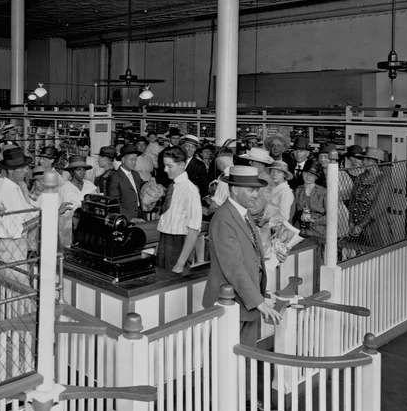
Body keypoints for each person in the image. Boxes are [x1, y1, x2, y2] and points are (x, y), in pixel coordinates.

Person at [201, 165, 283, 348]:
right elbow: (234, 267)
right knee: (226, 360)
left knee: (245, 358)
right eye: (251, 190)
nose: (256, 195)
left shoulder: (244, 214)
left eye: (257, 190)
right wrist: (259, 302)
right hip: (230, 303)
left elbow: (250, 254)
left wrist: (276, 256)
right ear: (235, 190)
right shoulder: (224, 218)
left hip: (246, 302)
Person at [0, 148, 38, 285]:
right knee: (18, 291)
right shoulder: (6, 192)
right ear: (10, 170)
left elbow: (28, 210)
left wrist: (52, 211)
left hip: (15, 247)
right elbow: (14, 230)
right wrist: (41, 219)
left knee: (15, 290)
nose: (26, 171)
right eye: (22, 168)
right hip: (11, 248)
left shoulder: (15, 188)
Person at [156, 146, 202, 275]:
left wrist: (180, 264)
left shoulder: (190, 190)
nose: (165, 170)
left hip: (179, 245)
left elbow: (193, 231)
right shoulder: (173, 186)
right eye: (165, 165)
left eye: (169, 166)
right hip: (165, 241)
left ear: (182, 165)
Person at [346, 147, 396, 250]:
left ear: (377, 161)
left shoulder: (384, 180)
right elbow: (352, 201)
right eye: (363, 159)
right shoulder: (360, 177)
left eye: (368, 159)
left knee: (377, 253)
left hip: (375, 225)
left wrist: (361, 226)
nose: (364, 162)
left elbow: (378, 207)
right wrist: (351, 221)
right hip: (356, 223)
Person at [59, 155, 98, 247]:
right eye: (78, 170)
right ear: (72, 172)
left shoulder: (90, 186)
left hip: (89, 229)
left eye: (83, 170)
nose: (82, 173)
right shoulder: (64, 189)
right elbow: (60, 213)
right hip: (70, 231)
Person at [106, 144, 145, 222]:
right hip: (124, 218)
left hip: (139, 215)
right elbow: (115, 203)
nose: (134, 162)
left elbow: (143, 186)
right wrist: (129, 218)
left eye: (135, 160)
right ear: (123, 159)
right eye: (131, 159)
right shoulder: (114, 177)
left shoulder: (135, 174)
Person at [292, 159, 328, 238]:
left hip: (319, 231)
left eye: (312, 174)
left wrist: (314, 221)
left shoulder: (324, 192)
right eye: (306, 173)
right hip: (300, 229)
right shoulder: (297, 190)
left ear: (317, 177)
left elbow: (331, 216)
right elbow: (292, 212)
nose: (308, 176)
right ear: (302, 174)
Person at [237, 147, 275, 221]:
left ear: (259, 164)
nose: (249, 163)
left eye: (252, 161)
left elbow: (255, 208)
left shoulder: (265, 181)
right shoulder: (260, 178)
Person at [260, 160, 294, 227]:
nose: (275, 174)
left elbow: (284, 216)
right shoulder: (274, 188)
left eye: (279, 172)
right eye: (273, 171)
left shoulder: (285, 192)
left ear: (284, 175)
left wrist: (266, 220)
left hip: (276, 226)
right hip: (267, 225)